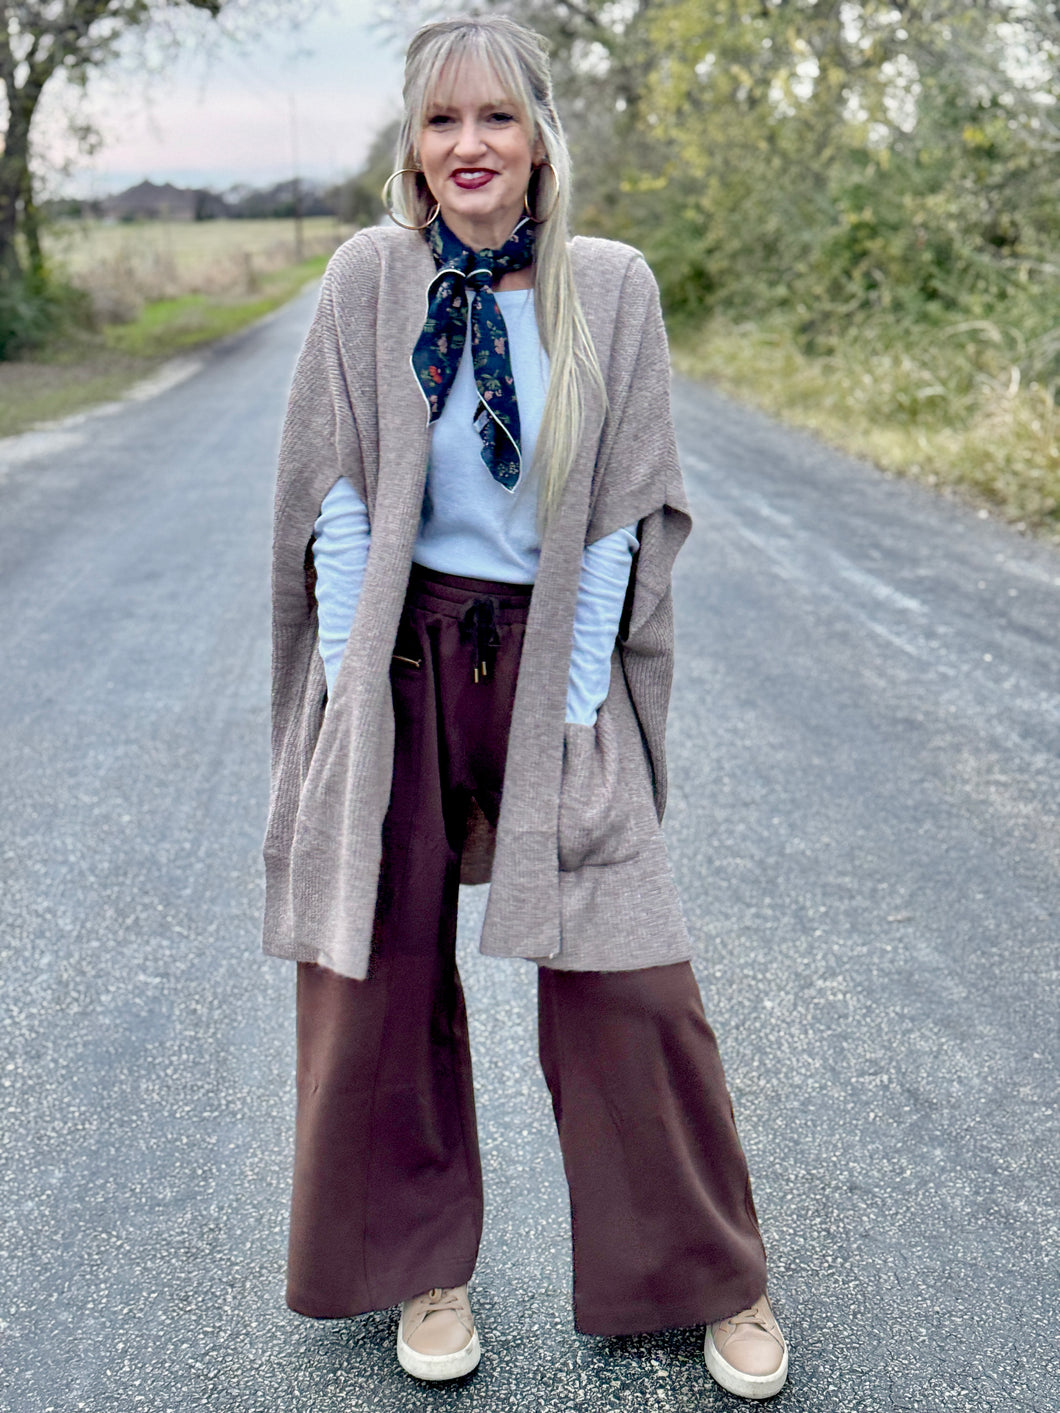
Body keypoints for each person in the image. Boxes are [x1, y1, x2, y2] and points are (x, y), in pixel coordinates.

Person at [263, 13, 788, 1402]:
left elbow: (622, 508)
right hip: (401, 660)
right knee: (371, 972)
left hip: (550, 658)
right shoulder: (368, 279)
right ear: (413, 146)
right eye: (442, 122)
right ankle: (414, 1266)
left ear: (541, 138)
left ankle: (713, 1272)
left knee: (632, 976)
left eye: (496, 118)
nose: (469, 146)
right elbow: (335, 490)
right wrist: (341, 699)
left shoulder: (608, 287)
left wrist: (568, 712)